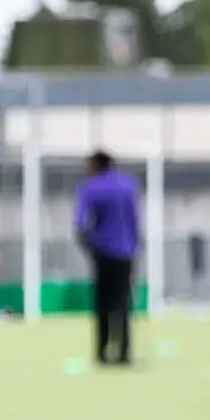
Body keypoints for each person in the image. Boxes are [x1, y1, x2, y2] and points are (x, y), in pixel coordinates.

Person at [72, 149, 139, 366]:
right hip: (126, 252)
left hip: (103, 253)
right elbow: (134, 220)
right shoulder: (128, 185)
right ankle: (124, 352)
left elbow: (81, 223)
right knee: (123, 303)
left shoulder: (90, 187)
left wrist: (89, 247)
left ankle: (102, 352)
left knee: (102, 304)